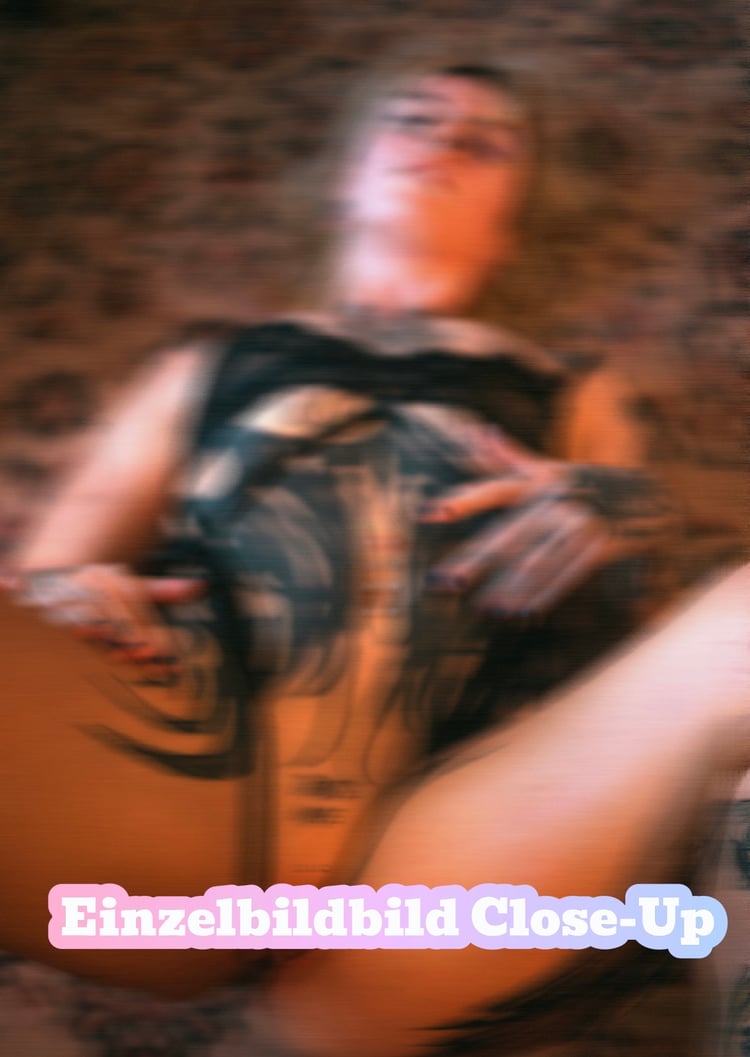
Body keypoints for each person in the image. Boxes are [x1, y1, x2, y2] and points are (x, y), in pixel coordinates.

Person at [0, 59, 742, 1056]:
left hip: (458, 862)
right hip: (165, 792)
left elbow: (635, 668)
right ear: (347, 178)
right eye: (415, 118)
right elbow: (46, 575)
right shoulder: (204, 368)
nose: (443, 143)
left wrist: (628, 516)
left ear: (510, 224)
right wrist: (79, 593)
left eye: (485, 142)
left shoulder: (574, 389)